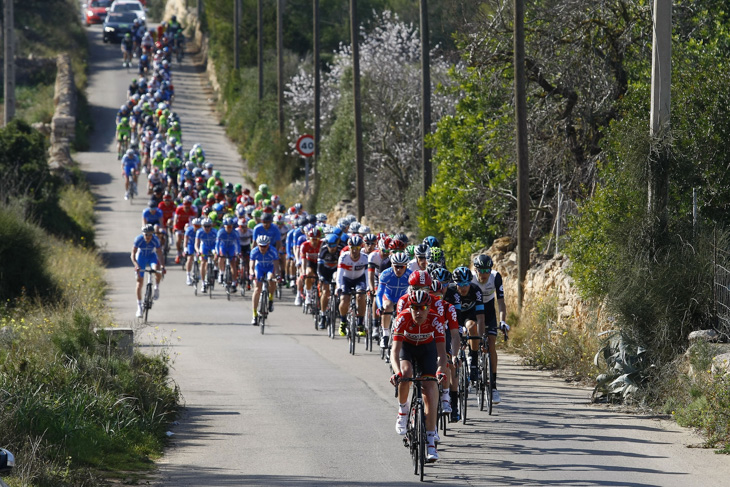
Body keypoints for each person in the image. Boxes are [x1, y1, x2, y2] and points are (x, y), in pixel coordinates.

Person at [389, 290, 446, 463]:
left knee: (429, 388)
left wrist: (440, 371)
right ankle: (403, 410)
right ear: (410, 307)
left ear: (429, 308)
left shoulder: (436, 320)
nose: (419, 312)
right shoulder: (402, 319)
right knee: (406, 374)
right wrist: (397, 373)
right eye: (415, 308)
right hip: (408, 349)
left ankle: (430, 442)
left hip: (427, 351)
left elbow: (442, 354)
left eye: (422, 308)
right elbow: (394, 351)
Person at [471, 254, 509, 404]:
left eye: (487, 270)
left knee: (491, 344)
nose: (484, 274)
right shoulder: (471, 278)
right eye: (481, 270)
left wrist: (503, 321)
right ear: (476, 270)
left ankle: (493, 387)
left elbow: (501, 302)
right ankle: (473, 358)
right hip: (474, 309)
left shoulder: (495, 277)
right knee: (472, 331)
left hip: (489, 310)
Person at [376, 251, 412, 351]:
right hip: (389, 297)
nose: (399, 269)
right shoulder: (386, 274)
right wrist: (380, 307)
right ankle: (385, 335)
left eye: (402, 267)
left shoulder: (410, 275)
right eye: (396, 266)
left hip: (402, 298)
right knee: (387, 306)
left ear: (406, 266)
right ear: (392, 265)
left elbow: (413, 293)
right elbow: (379, 294)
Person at [336, 235, 369, 337]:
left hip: (359, 279)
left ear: (361, 248)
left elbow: (367, 275)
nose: (355, 251)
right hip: (346, 279)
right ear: (349, 248)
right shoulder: (344, 257)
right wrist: (339, 287)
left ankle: (360, 324)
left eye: (357, 248)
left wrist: (368, 287)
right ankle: (343, 322)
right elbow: (339, 274)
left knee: (361, 297)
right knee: (345, 299)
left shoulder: (365, 258)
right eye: (352, 248)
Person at [131, 224, 164, 318]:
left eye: (150, 235)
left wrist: (162, 266)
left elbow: (160, 254)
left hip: (151, 257)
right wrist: (136, 265)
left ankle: (156, 287)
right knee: (139, 282)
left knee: (157, 270)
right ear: (143, 234)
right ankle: (139, 307)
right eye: (146, 235)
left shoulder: (155, 240)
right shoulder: (138, 239)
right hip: (141, 257)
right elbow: (132, 254)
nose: (148, 237)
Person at [249, 235, 280, 325]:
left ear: (268, 245)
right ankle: (254, 315)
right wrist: (251, 274)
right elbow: (251, 265)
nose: (263, 248)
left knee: (271, 279)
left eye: (265, 246)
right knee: (257, 289)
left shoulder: (273, 251)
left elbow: (276, 265)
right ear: (257, 245)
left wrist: (277, 275)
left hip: (270, 267)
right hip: (259, 268)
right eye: (261, 246)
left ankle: (270, 299)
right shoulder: (254, 251)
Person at [317, 233, 340, 329]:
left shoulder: (340, 251)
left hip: (335, 272)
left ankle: (336, 305)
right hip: (325, 272)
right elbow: (319, 268)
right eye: (330, 245)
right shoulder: (323, 251)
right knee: (325, 292)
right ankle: (322, 315)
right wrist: (321, 277)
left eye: (334, 245)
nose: (332, 248)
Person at [299, 226, 322, 309]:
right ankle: (308, 295)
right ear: (309, 238)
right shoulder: (304, 246)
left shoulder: (322, 245)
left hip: (320, 263)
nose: (315, 241)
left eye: (317, 239)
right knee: (308, 273)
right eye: (313, 239)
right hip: (310, 263)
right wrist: (303, 272)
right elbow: (303, 262)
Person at [216, 217, 241, 291]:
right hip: (223, 246)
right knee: (221, 258)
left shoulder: (235, 232)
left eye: (231, 227)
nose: (229, 228)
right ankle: (221, 272)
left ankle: (234, 282)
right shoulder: (221, 232)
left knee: (233, 264)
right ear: (224, 226)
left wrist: (238, 252)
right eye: (228, 227)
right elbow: (217, 243)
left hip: (231, 247)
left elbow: (238, 244)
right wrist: (217, 252)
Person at [195, 218, 218, 293]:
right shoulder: (199, 232)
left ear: (211, 226)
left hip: (213, 246)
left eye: (209, 226)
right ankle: (203, 282)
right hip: (204, 246)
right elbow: (196, 243)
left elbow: (218, 243)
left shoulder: (215, 231)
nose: (207, 228)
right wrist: (198, 251)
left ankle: (215, 267)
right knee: (203, 262)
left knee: (216, 256)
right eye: (205, 226)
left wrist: (217, 252)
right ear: (202, 226)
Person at [183, 218, 202, 285]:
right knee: (190, 258)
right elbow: (185, 240)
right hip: (190, 244)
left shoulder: (202, 231)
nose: (197, 227)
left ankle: (199, 271)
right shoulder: (189, 230)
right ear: (193, 225)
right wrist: (185, 248)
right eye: (196, 226)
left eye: (199, 226)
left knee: (201, 258)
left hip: (199, 245)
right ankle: (188, 276)